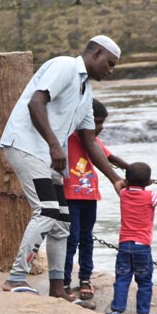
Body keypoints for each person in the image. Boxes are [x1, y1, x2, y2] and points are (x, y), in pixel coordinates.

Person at [0, 35, 124, 306]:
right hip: (28, 146)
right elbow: (36, 102)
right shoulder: (65, 66)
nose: (110, 70)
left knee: (63, 222)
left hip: (50, 157)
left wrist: (115, 179)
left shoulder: (86, 91)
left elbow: (90, 141)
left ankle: (57, 289)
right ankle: (16, 278)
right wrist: (56, 146)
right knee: (47, 210)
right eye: (110, 63)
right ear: (96, 53)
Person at [63, 99, 129, 300]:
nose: (100, 128)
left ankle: (85, 278)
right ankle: (64, 281)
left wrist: (133, 172)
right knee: (70, 240)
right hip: (69, 197)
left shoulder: (93, 140)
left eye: (102, 123)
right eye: (97, 122)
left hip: (90, 197)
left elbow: (112, 158)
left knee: (86, 238)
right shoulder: (66, 138)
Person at [108, 162, 157, 314]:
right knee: (144, 281)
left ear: (127, 180)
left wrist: (128, 181)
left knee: (122, 278)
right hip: (142, 246)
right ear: (147, 182)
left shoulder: (124, 193)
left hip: (125, 245)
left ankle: (116, 311)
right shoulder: (151, 196)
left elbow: (118, 183)